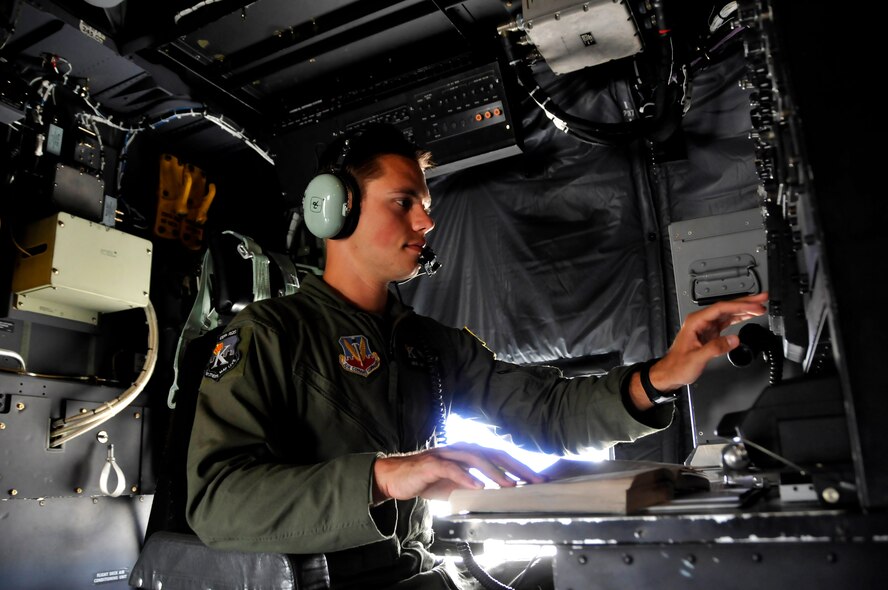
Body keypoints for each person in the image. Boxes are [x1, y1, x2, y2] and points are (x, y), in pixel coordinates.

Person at [185, 123, 768, 589]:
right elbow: (216, 504)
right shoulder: (271, 334)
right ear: (334, 209)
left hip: (420, 572)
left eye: (426, 204)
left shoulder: (431, 345)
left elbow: (547, 410)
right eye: (404, 201)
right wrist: (386, 476)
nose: (426, 221)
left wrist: (661, 376)